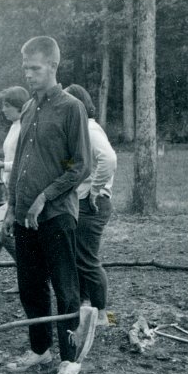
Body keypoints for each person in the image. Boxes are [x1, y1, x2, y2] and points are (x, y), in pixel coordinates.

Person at [0, 36, 90, 374]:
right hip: (24, 216)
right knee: (30, 286)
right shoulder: (29, 107)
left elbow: (77, 165)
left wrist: (44, 197)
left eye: (35, 68)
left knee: (65, 289)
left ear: (53, 66)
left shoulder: (71, 109)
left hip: (56, 216)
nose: (29, 75)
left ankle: (70, 358)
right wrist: (12, 207)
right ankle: (40, 349)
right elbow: (20, 162)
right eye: (25, 68)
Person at [64, 83, 118, 328]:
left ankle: (104, 314)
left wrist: (95, 190)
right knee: (79, 257)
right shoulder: (80, 130)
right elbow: (78, 162)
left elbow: (108, 158)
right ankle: (89, 305)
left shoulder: (90, 129)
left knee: (87, 260)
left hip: (93, 203)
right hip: (82, 200)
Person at [0, 86, 30, 265]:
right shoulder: (14, 126)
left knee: (1, 229)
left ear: (19, 106)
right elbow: (14, 157)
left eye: (7, 105)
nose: (3, 109)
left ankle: (29, 274)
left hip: (21, 189)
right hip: (11, 188)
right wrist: (2, 163)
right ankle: (24, 273)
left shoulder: (25, 127)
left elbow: (26, 162)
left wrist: (5, 165)